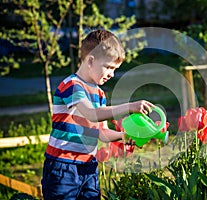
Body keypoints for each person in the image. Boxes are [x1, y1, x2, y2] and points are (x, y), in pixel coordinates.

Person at [41, 29, 154, 199]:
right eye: (108, 67)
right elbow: (92, 114)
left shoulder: (99, 94)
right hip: (63, 167)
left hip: (88, 166)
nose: (112, 74)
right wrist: (130, 106)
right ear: (91, 61)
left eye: (115, 69)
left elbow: (101, 132)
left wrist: (124, 135)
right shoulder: (72, 85)